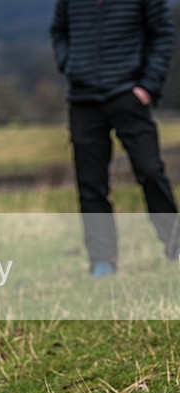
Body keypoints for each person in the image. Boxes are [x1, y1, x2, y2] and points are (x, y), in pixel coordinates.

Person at [50, 0, 180, 277]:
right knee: (90, 186)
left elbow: (162, 34)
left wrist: (148, 86)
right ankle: (102, 261)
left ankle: (176, 245)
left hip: (128, 95)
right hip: (83, 100)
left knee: (150, 171)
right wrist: (70, 65)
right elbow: (59, 31)